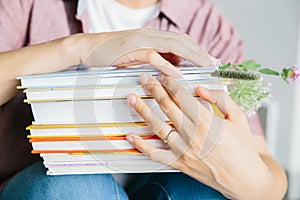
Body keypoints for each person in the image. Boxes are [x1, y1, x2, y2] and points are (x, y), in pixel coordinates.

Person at [0, 0, 287, 199]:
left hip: (160, 186)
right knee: (74, 189)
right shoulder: (32, 6)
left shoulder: (204, 22)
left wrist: (241, 178)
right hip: (42, 184)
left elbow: (268, 174)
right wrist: (76, 47)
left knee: (205, 192)